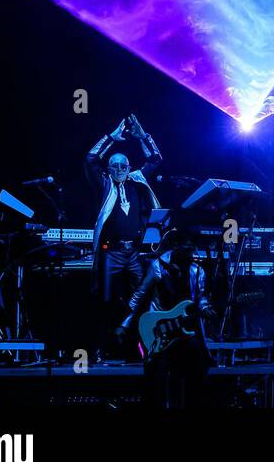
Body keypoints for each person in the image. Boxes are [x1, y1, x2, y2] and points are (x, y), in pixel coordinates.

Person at [85, 114, 162, 359]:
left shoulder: (137, 183)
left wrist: (142, 136)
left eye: (123, 166)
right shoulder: (104, 184)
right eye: (114, 166)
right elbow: (90, 159)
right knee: (105, 300)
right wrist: (111, 138)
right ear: (109, 169)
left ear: (129, 168)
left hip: (135, 253)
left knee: (142, 297)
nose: (119, 169)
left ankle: (140, 348)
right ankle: (101, 348)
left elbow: (155, 159)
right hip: (112, 252)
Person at [119, 228, 214, 408]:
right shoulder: (158, 266)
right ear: (176, 248)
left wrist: (206, 308)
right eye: (186, 250)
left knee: (199, 366)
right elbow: (139, 295)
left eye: (191, 251)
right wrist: (124, 324)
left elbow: (200, 298)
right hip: (159, 329)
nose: (190, 255)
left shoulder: (197, 271)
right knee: (157, 377)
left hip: (184, 330)